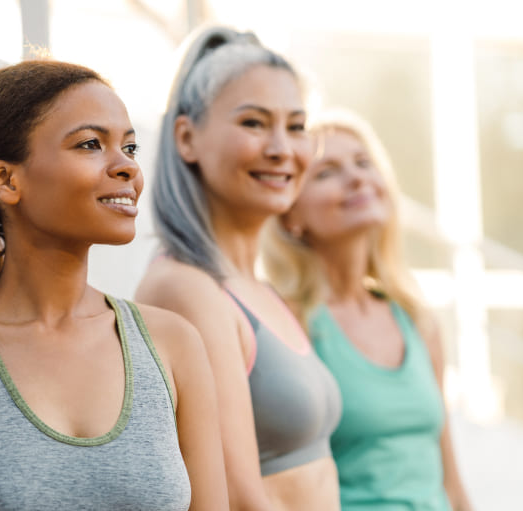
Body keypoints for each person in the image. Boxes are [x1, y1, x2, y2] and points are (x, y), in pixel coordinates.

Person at [0, 59, 228, 510]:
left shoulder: (172, 343)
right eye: (90, 144)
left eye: (130, 148)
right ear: (5, 180)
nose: (126, 167)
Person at [134, 26, 342, 510]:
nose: (282, 149)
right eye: (253, 123)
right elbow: (237, 497)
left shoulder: (257, 288)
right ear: (186, 137)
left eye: (296, 126)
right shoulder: (186, 288)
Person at [262, 108, 473, 511]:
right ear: (291, 214)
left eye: (363, 163)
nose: (357, 178)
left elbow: (452, 482)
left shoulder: (416, 319)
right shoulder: (285, 323)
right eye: (327, 172)